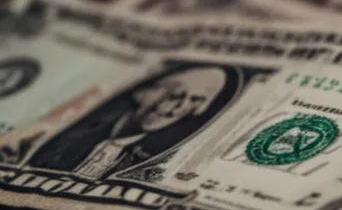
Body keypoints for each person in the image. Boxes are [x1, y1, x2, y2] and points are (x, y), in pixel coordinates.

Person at [29, 66, 228, 180]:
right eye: (175, 96)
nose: (178, 108)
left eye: (195, 101)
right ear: (147, 94)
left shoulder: (153, 159)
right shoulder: (76, 133)